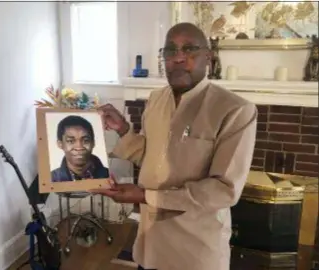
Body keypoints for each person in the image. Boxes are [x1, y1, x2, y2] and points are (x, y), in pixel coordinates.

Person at [92, 22, 257, 270]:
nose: (178, 58)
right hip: (150, 244)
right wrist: (123, 129)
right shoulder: (156, 99)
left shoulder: (234, 110)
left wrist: (145, 196)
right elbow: (152, 156)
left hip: (194, 251)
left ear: (208, 57)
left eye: (189, 49)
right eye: (170, 50)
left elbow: (224, 190)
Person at [51, 115, 109, 182]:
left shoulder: (109, 176)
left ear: (93, 143)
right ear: (60, 144)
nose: (79, 147)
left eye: (86, 141)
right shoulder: (51, 179)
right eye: (70, 141)